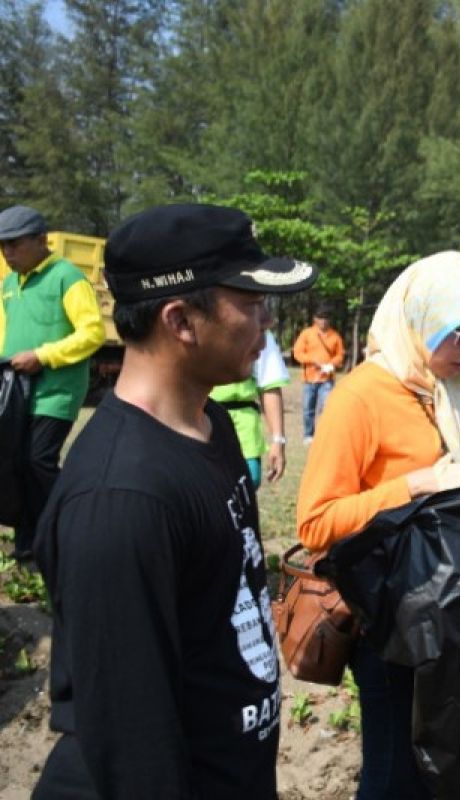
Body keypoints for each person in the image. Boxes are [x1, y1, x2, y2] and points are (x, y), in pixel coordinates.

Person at [32, 203, 317, 797]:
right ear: (182, 321)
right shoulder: (121, 500)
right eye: (252, 303)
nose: (268, 324)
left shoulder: (209, 426)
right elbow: (134, 745)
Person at [296, 251, 460, 800]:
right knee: (393, 776)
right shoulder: (361, 396)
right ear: (418, 322)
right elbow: (316, 522)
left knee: (454, 769)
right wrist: (414, 486)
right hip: (391, 626)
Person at [0, 205, 105, 561]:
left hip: (55, 392)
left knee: (38, 461)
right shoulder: (9, 284)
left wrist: (42, 356)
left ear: (41, 240)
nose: (7, 253)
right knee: (16, 463)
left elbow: (92, 333)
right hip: (16, 393)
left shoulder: (67, 277)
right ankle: (28, 545)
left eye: (14, 244)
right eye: (3, 246)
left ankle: (73, 528)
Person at [210, 328, 290, 487]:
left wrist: (278, 440)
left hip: (244, 428)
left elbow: (269, 384)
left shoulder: (258, 329)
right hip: (198, 421)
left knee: (248, 483)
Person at [292, 304, 344, 443]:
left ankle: (324, 435)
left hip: (327, 379)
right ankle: (309, 435)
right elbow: (297, 353)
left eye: (326, 318)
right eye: (320, 318)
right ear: (315, 319)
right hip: (309, 378)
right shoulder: (307, 333)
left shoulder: (335, 336)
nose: (323, 321)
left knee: (327, 408)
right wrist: (311, 361)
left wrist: (331, 365)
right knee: (308, 408)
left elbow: (340, 355)